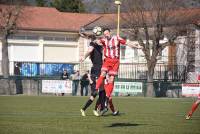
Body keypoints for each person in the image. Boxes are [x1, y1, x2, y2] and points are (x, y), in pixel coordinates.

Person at [94, 28, 142, 112]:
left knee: (111, 79)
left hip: (115, 61)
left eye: (107, 33)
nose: (106, 35)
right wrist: (94, 38)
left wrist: (136, 46)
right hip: (107, 60)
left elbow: (127, 43)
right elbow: (96, 41)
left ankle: (107, 97)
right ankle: (95, 89)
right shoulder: (103, 40)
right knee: (103, 74)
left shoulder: (117, 38)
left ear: (110, 32)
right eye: (104, 34)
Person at [80, 35, 119, 117]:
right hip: (96, 71)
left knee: (103, 92)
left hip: (101, 70)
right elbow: (89, 50)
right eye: (98, 39)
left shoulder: (102, 46)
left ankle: (99, 108)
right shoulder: (93, 44)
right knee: (94, 94)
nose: (100, 40)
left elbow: (105, 47)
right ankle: (84, 109)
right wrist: (83, 57)